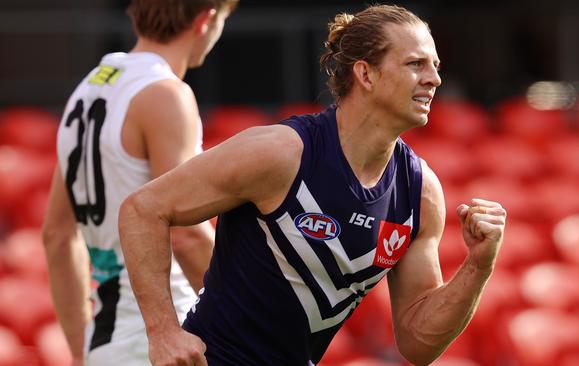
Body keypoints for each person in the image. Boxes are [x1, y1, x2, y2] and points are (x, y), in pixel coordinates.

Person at [118, 4, 507, 366]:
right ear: (366, 74)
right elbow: (143, 208)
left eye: (435, 66)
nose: (435, 78)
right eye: (415, 64)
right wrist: (163, 331)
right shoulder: (279, 152)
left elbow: (417, 343)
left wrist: (477, 266)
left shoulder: (420, 193)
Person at [41, 0, 238, 364]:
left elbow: (56, 236)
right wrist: (251, 324)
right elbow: (186, 234)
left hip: (106, 344)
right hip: (168, 336)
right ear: (207, 19)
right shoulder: (166, 94)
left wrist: (81, 353)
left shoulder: (85, 90)